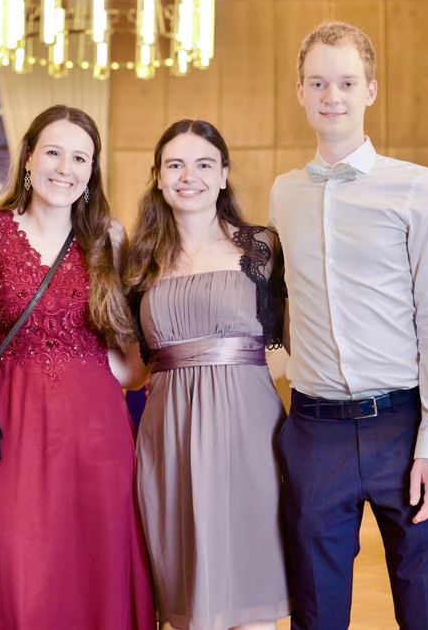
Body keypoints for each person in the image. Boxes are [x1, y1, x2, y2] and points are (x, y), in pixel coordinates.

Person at [268, 20, 428, 629]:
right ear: (300, 92)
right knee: (316, 618)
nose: (332, 95)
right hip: (314, 431)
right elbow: (279, 303)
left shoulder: (419, 189)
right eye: (318, 82)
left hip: (403, 426)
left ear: (371, 90)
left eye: (347, 82)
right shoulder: (282, 195)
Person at [0, 105, 155, 629]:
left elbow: (131, 352)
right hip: (8, 428)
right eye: (54, 152)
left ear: (92, 169)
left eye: (80, 157)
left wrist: (93, 368)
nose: (65, 168)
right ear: (28, 158)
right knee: (11, 560)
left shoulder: (109, 237)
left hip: (95, 434)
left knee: (90, 564)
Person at [123, 118, 291, 630]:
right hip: (169, 433)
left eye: (203, 164)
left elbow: (293, 341)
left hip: (249, 432)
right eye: (175, 164)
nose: (188, 176)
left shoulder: (263, 247)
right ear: (157, 177)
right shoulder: (138, 261)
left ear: (223, 174)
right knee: (183, 591)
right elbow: (131, 367)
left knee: (251, 581)